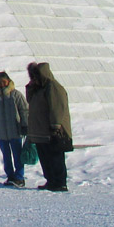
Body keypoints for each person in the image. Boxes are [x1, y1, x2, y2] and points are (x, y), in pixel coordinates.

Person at [26, 62, 72, 192]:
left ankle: (60, 182)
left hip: (52, 131)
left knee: (55, 157)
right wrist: (30, 87)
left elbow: (57, 107)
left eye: (35, 76)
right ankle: (51, 180)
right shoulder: (38, 89)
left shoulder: (52, 87)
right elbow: (30, 101)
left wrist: (55, 125)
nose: (34, 79)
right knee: (45, 158)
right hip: (41, 130)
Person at [0, 71, 29, 187]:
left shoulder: (15, 95)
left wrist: (25, 125)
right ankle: (10, 176)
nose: (1, 85)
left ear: (8, 82)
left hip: (15, 132)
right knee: (6, 157)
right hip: (1, 133)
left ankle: (19, 177)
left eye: (3, 82)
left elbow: (24, 110)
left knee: (18, 156)